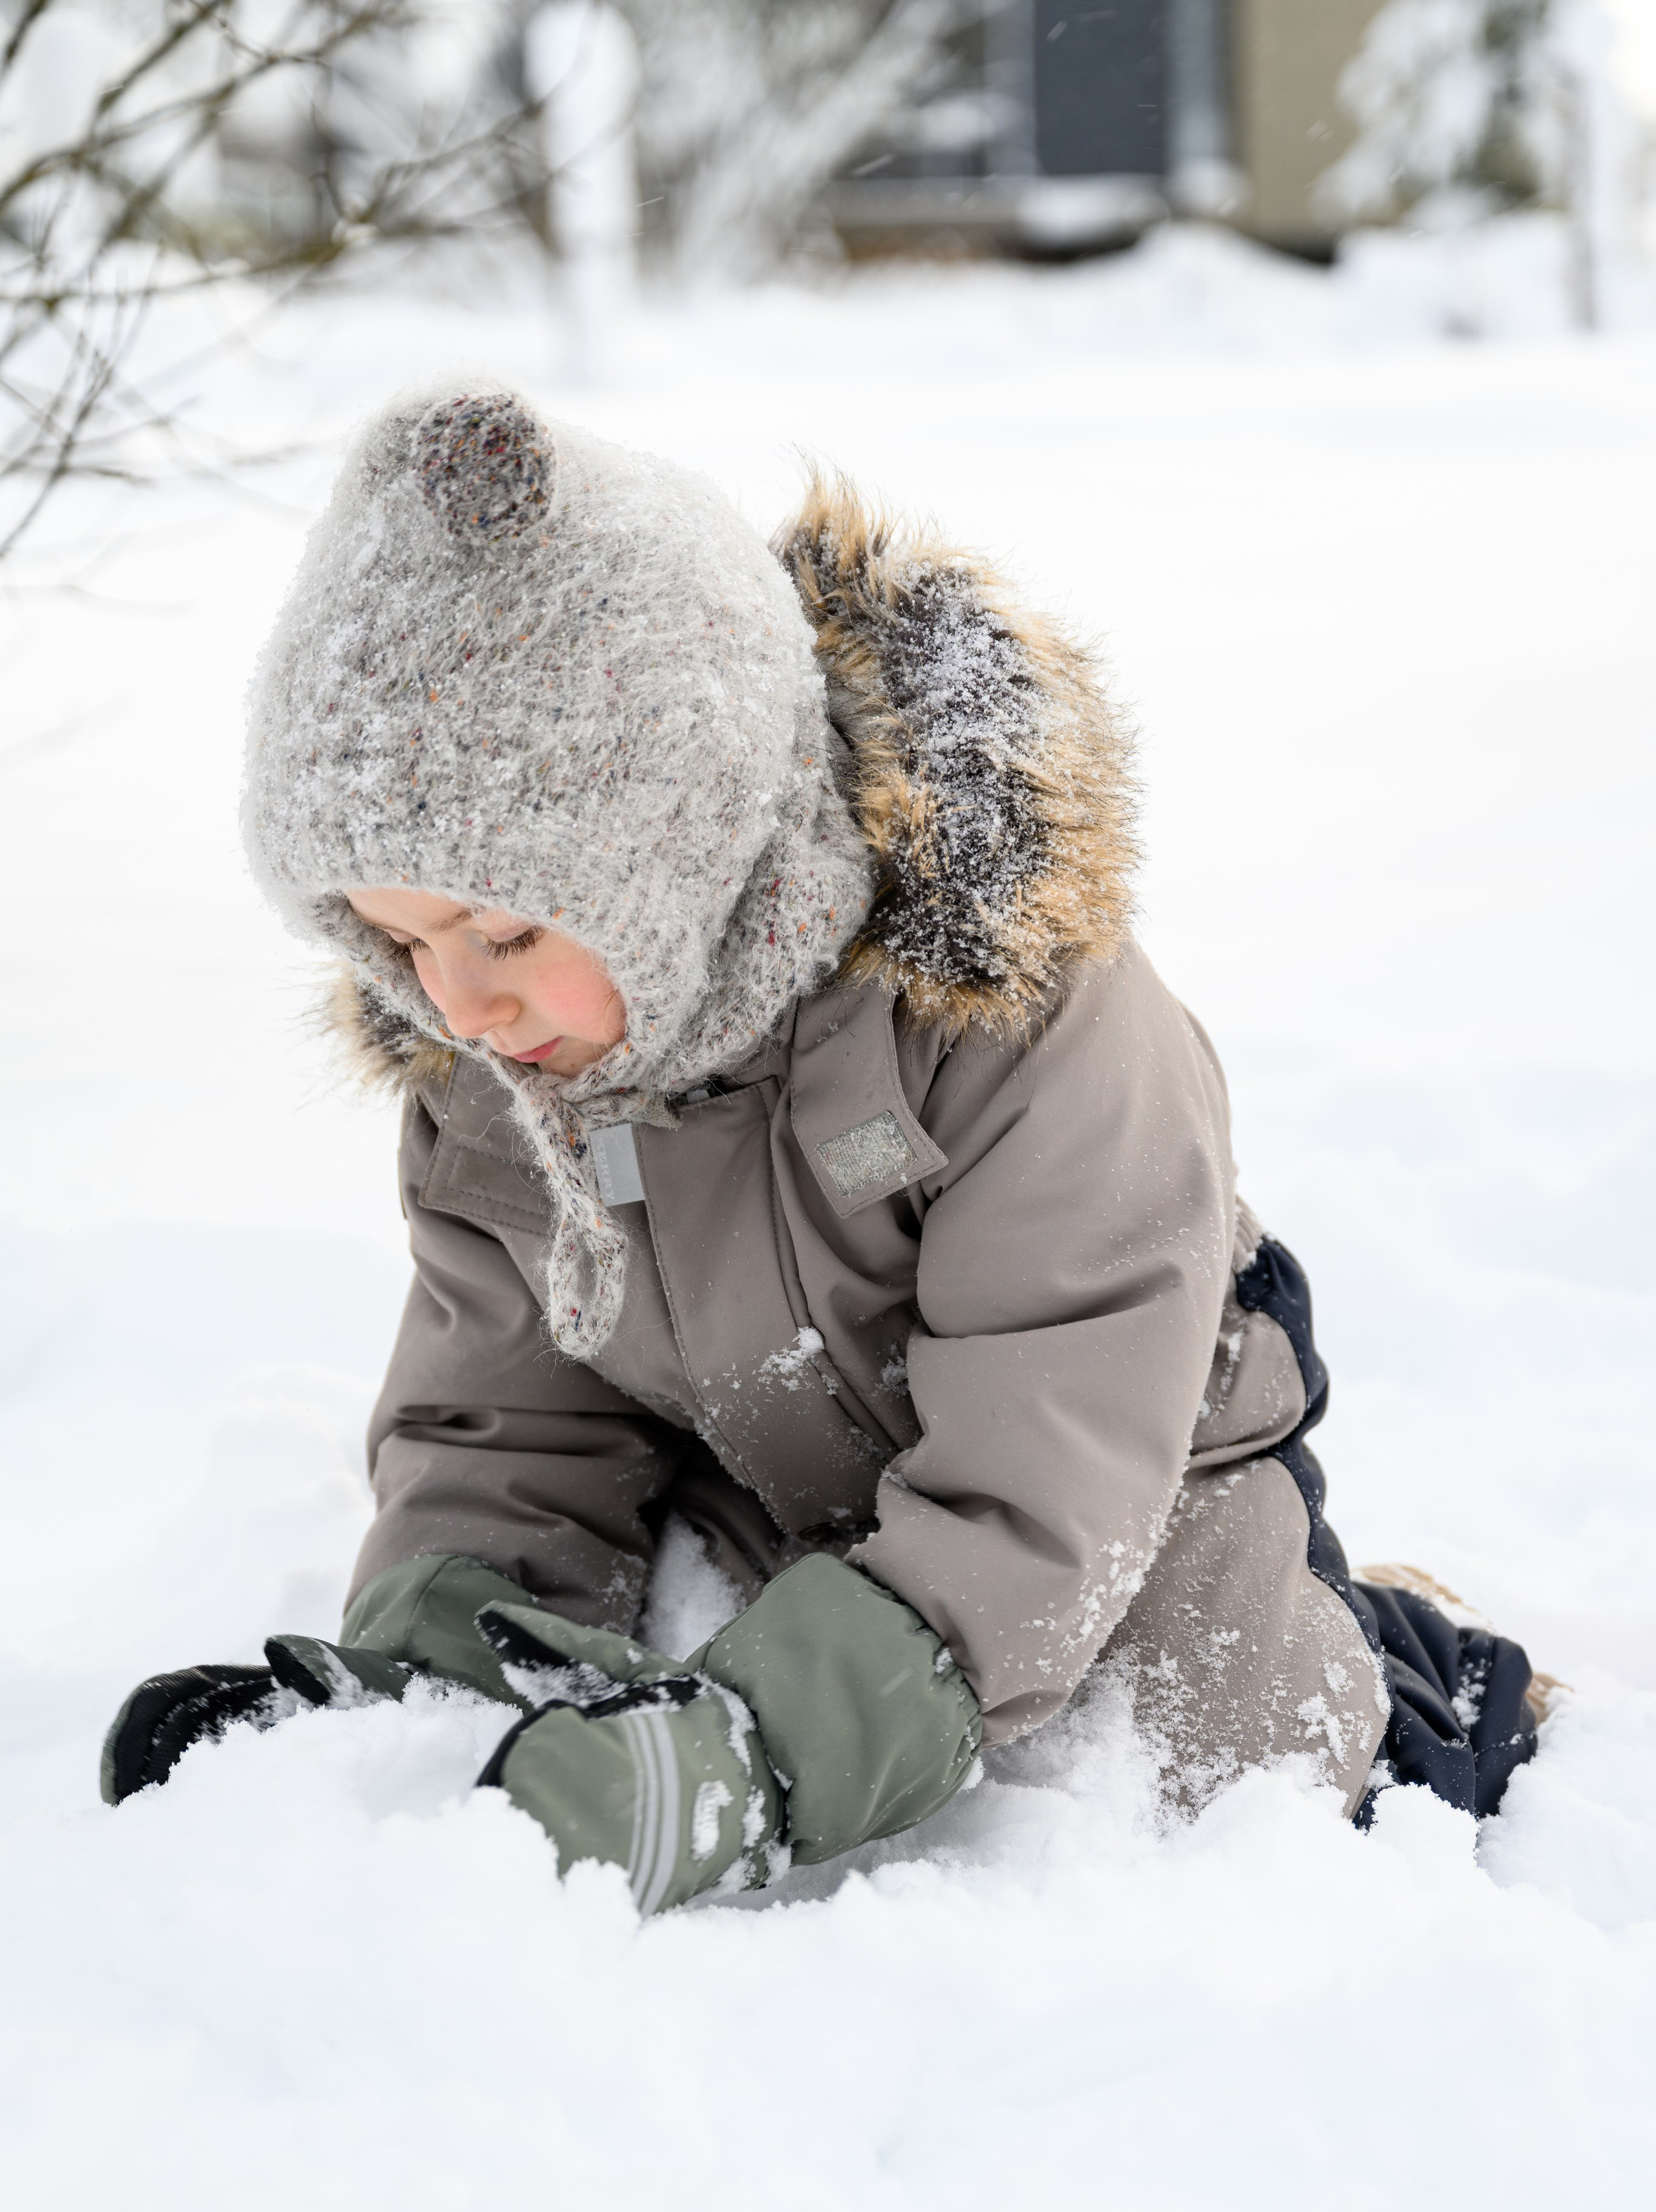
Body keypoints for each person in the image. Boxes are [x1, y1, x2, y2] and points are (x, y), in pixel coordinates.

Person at [100, 388, 1543, 1905]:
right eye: (394, 944)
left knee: (1210, 1782)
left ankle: (1420, 1679)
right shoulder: (504, 1065)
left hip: (1117, 1475)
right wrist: (427, 1674)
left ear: (675, 839)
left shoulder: (1003, 1016)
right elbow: (508, 1427)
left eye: (505, 928)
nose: (457, 1000)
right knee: (668, 1610)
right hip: (773, 1462)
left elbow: (1039, 1481)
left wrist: (749, 1765)